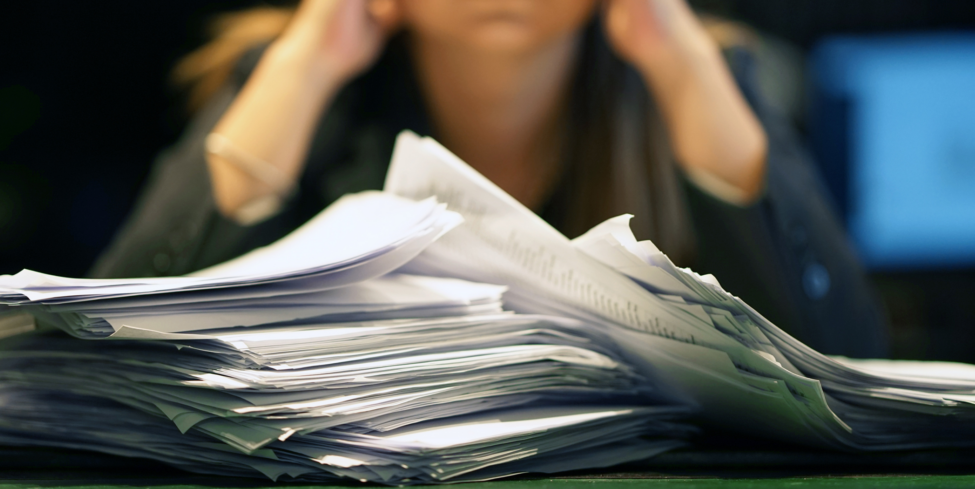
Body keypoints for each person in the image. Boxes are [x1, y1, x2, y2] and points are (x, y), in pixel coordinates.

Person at [90, 0, 888, 357]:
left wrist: (675, 53)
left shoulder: (688, 71)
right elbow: (100, 340)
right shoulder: (300, 76)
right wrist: (306, 61)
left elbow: (845, 355)